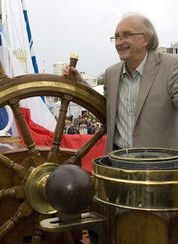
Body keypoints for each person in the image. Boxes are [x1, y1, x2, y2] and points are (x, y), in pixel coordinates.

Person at [63, 13, 178, 153]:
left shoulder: (171, 66)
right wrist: (80, 82)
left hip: (159, 167)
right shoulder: (111, 73)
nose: (119, 42)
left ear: (145, 39)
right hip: (118, 163)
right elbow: (104, 107)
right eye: (116, 37)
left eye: (126, 35)